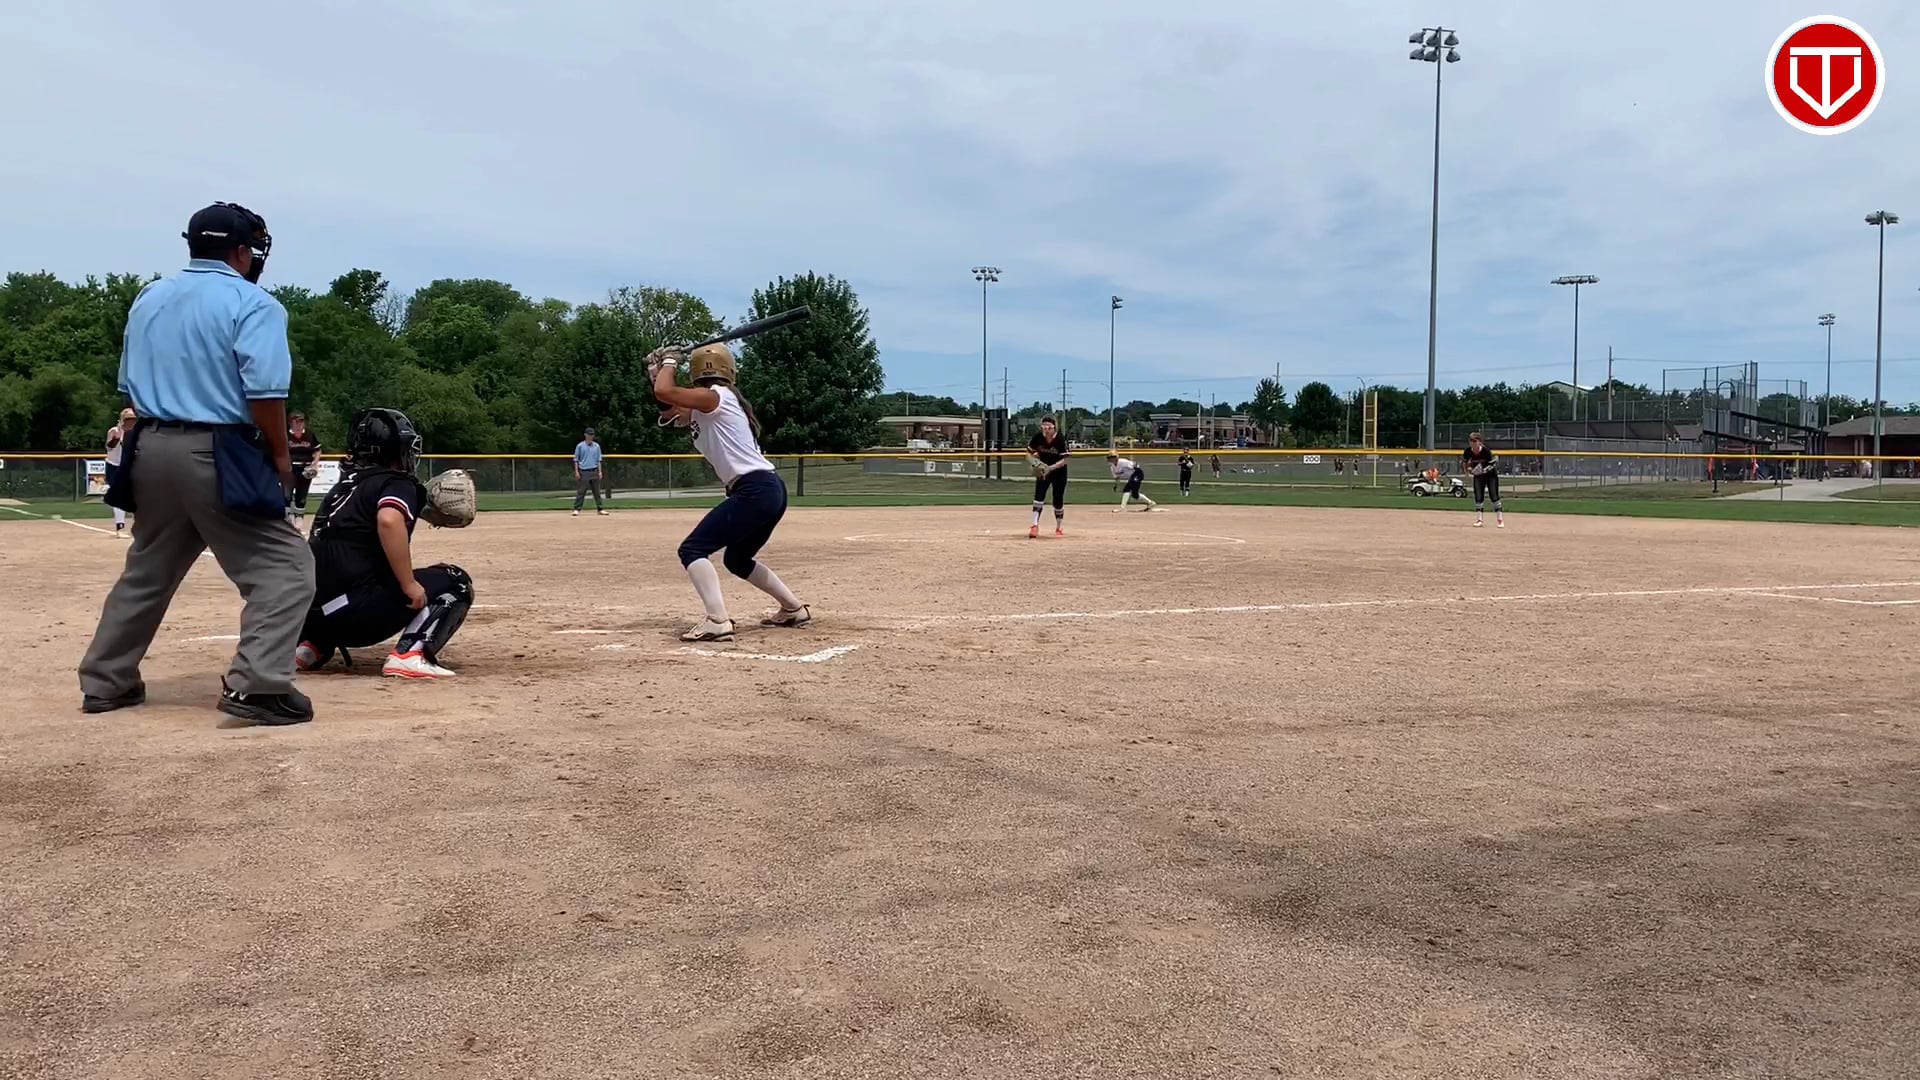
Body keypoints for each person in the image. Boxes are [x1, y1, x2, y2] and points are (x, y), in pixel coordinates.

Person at [78, 202, 316, 726]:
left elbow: (129, 384)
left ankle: (106, 681)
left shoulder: (150, 296)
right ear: (241, 252)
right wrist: (281, 456)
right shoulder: (254, 303)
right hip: (218, 450)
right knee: (286, 569)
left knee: (149, 569)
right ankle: (258, 686)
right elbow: (265, 392)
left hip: (149, 444)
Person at [295, 408, 474, 680]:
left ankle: (310, 648)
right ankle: (410, 655)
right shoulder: (398, 483)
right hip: (356, 617)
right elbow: (389, 520)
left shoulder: (343, 487)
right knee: (456, 580)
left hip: (313, 616)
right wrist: (408, 583)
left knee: (345, 571)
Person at [651, 343, 809, 642]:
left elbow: (666, 392)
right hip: (767, 489)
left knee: (692, 549)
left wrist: (670, 361)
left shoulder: (715, 397)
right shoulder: (709, 403)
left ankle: (717, 621)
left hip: (754, 490)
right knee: (737, 559)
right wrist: (656, 370)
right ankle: (793, 609)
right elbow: (669, 406)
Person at [1027, 416, 1070, 538]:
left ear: (1054, 428)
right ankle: (1034, 525)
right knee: (1038, 496)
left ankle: (1059, 527)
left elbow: (1065, 459)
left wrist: (1050, 468)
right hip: (1043, 471)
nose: (1046, 430)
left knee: (1058, 500)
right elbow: (1028, 453)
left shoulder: (1060, 439)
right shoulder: (1038, 437)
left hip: (1059, 471)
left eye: (1049, 427)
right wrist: (1035, 463)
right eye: (1044, 427)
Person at [103, 407, 137, 536]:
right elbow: (110, 447)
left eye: (132, 419)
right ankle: (120, 527)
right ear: (122, 420)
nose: (130, 422)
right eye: (128, 419)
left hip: (129, 465)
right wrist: (115, 439)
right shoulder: (115, 431)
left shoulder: (136, 432)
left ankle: (138, 526)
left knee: (136, 494)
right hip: (114, 465)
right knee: (118, 494)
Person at [1463, 431, 1505, 528]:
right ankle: (1479, 520)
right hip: (1478, 476)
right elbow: (1465, 462)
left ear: (1479, 442)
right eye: (1470, 440)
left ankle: (1500, 520)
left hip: (1491, 475)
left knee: (1494, 495)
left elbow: (1492, 464)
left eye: (1474, 440)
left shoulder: (1485, 451)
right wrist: (1468, 471)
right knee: (1478, 496)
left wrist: (1484, 470)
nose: (1472, 443)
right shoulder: (1468, 451)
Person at [287, 412, 322, 525]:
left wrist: (315, 463)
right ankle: (288, 518)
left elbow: (317, 450)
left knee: (302, 494)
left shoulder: (309, 434)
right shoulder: (285, 434)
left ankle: (299, 519)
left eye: (302, 421)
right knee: (287, 494)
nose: (300, 423)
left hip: (305, 468)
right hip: (290, 468)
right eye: (297, 421)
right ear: (291, 422)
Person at [573, 427, 608, 516]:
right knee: (581, 491)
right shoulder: (580, 446)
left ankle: (600, 509)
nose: (590, 436)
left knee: (597, 492)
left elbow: (599, 460)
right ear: (585, 435)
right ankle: (577, 509)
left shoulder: (596, 446)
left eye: (592, 435)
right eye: (589, 434)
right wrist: (576, 472)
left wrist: (600, 472)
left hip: (594, 470)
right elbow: (576, 460)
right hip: (584, 471)